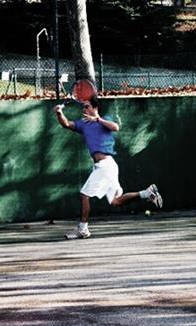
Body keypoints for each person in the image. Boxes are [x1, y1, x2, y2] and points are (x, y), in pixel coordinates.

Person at [53, 95, 163, 239]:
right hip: (104, 167)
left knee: (84, 195)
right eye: (83, 106)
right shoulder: (83, 124)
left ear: (95, 108)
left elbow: (116, 127)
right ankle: (146, 193)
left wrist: (98, 119)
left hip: (106, 165)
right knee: (115, 201)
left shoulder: (105, 120)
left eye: (87, 106)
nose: (84, 109)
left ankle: (83, 229)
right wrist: (59, 113)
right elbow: (66, 124)